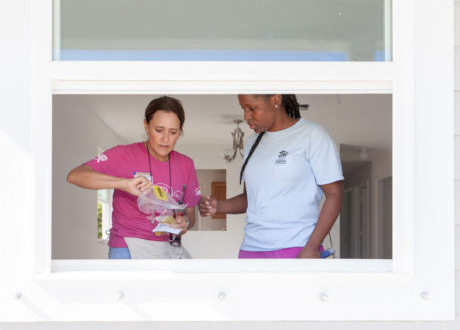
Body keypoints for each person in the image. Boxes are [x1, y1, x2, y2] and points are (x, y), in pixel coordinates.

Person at [199, 94, 344, 259]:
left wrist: (313, 246)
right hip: (251, 249)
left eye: (252, 108)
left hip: (297, 248)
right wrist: (218, 206)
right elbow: (251, 198)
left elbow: (335, 193)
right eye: (243, 109)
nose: (246, 116)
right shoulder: (252, 143)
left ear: (275, 100)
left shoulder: (312, 135)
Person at [67, 96, 201, 259]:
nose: (165, 139)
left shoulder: (186, 164)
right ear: (146, 126)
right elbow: (75, 175)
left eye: (173, 132)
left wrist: (185, 222)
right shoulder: (124, 154)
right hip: (127, 245)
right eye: (158, 130)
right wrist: (123, 184)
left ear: (180, 131)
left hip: (168, 246)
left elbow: (190, 212)